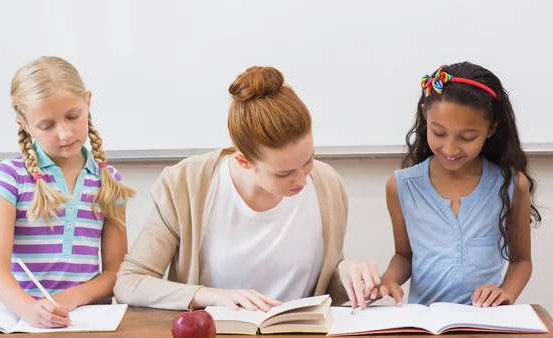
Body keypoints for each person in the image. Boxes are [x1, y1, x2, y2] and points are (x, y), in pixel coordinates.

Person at [114, 66, 380, 311]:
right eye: (284, 173)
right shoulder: (185, 184)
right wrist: (213, 296)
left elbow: (326, 289)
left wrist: (347, 272)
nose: (301, 180)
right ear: (243, 160)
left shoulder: (327, 184)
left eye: (308, 161)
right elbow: (129, 282)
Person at [0, 56, 135, 328]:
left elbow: (115, 273)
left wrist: (68, 300)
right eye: (47, 125)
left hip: (88, 322)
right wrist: (29, 309)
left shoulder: (110, 183)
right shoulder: (9, 177)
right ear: (24, 125)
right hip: (26, 324)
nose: (65, 133)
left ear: (88, 102)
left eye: (72, 116)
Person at [377, 62, 541, 307]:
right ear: (425, 116)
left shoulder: (511, 185)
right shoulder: (400, 186)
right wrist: (388, 280)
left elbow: (521, 262)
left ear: (491, 128)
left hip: (483, 324)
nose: (450, 149)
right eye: (439, 133)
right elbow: (404, 255)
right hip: (423, 328)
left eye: (467, 137)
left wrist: (505, 293)